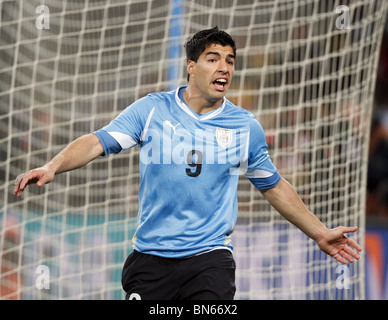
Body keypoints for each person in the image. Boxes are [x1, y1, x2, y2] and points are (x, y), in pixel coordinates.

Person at [14, 27, 362, 300]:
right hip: (150, 258)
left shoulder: (244, 126)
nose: (224, 67)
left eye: (230, 60)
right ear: (192, 67)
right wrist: (53, 166)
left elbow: (273, 186)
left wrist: (319, 232)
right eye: (213, 58)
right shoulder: (152, 110)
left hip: (210, 258)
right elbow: (96, 142)